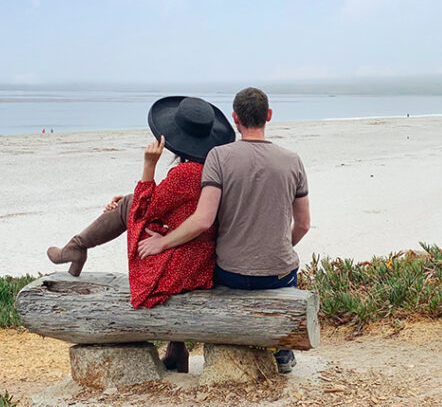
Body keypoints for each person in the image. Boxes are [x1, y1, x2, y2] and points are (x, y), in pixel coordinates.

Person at [46, 96, 236, 371]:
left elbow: (146, 210)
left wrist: (149, 165)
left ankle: (76, 247)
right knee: (131, 202)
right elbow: (169, 205)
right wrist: (130, 198)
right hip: (201, 256)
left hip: (186, 262)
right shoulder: (210, 169)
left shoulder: (186, 173)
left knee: (131, 207)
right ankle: (176, 350)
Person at [137, 87, 310, 374]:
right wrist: (279, 248)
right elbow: (303, 224)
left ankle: (178, 346)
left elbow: (203, 220)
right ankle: (282, 351)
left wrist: (163, 242)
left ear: (235, 119)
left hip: (232, 274)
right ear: (268, 116)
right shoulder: (293, 160)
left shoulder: (219, 157)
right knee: (287, 268)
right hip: (279, 274)